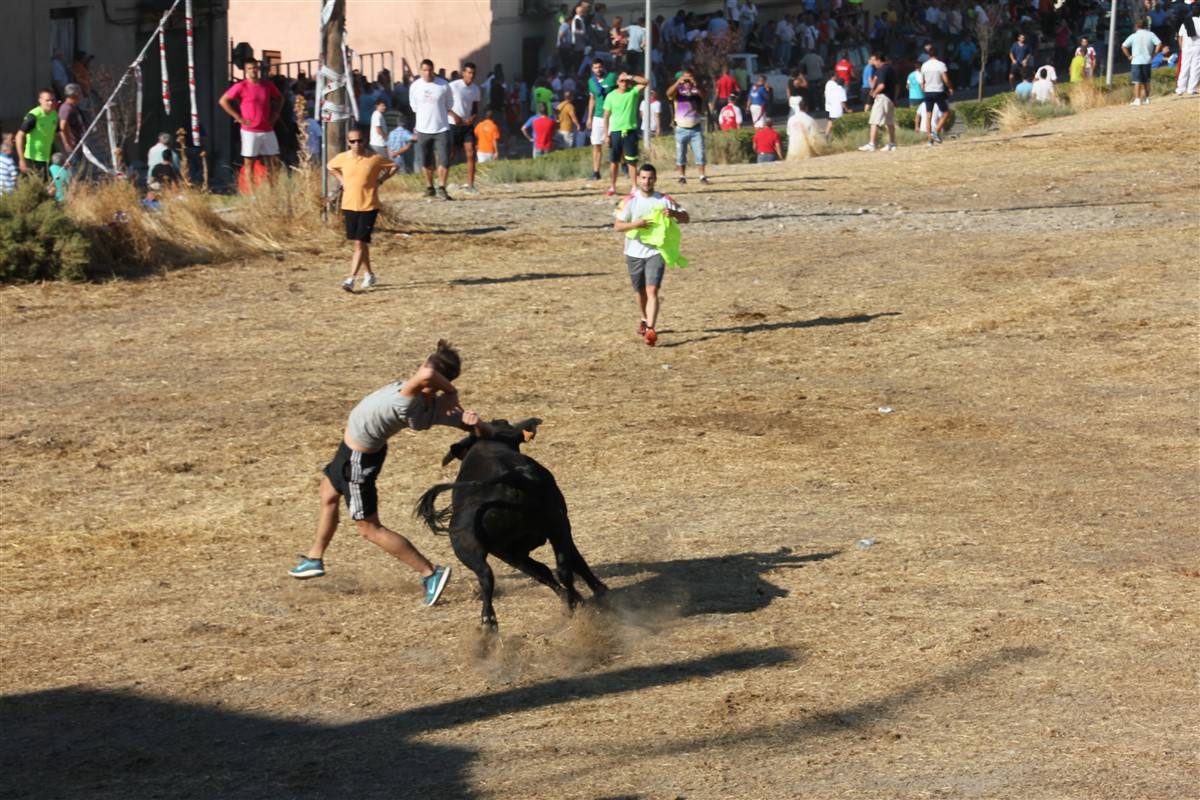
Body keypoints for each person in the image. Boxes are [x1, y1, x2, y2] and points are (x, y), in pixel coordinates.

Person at [289, 341, 493, 610]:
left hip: (357, 462)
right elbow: (435, 383)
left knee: (369, 528)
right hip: (349, 453)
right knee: (328, 492)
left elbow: (427, 376)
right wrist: (476, 425)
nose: (419, 370)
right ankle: (315, 557)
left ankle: (430, 573)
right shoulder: (434, 405)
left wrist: (464, 409)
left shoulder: (409, 398)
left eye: (423, 366)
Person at [611, 164, 689, 347]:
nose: (647, 181)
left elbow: (686, 217)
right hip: (633, 252)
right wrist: (636, 224)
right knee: (639, 291)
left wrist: (675, 213)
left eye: (650, 178)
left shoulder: (664, 200)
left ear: (656, 179)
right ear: (638, 178)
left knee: (652, 290)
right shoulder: (629, 200)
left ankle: (651, 329)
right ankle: (644, 319)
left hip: (656, 251)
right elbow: (617, 226)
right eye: (644, 178)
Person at [327, 125, 397, 292]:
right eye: (353, 141)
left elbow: (394, 166)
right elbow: (330, 167)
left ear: (365, 141)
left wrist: (381, 180)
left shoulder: (374, 158)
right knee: (360, 243)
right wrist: (341, 179)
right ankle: (370, 274)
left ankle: (350, 279)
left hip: (369, 205)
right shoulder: (343, 158)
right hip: (349, 205)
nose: (357, 144)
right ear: (348, 142)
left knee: (359, 242)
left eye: (360, 140)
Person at [219, 58, 283, 193]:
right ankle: (252, 194)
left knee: (274, 161)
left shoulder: (267, 85)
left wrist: (275, 114)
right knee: (249, 163)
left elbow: (280, 98)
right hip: (250, 130)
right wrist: (238, 117)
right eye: (250, 68)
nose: (253, 70)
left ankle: (274, 191)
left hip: (267, 128)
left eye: (255, 68)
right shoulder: (241, 86)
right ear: (245, 71)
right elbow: (223, 101)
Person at [409, 58, 454, 199]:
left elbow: (449, 104)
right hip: (423, 129)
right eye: (424, 70)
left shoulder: (443, 85)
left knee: (444, 160)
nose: (427, 73)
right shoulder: (415, 86)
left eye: (429, 70)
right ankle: (430, 187)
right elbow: (414, 107)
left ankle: (442, 187)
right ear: (420, 71)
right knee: (426, 160)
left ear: (433, 70)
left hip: (441, 128)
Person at [602, 71, 648, 197]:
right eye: (621, 81)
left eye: (626, 81)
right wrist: (606, 134)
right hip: (616, 131)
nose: (624, 83)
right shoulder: (610, 96)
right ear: (617, 82)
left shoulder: (632, 92)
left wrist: (630, 76)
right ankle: (612, 186)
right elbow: (606, 116)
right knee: (614, 161)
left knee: (631, 161)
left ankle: (634, 186)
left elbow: (646, 82)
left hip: (630, 131)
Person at [667, 69, 708, 185]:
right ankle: (682, 176)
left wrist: (696, 84)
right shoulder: (678, 91)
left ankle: (702, 176)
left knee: (700, 153)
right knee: (680, 154)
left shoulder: (696, 90)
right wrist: (678, 82)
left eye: (689, 77)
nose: (687, 81)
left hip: (696, 127)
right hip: (681, 127)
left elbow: (704, 95)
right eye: (685, 78)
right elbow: (668, 93)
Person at [449, 62, 481, 193]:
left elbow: (475, 109)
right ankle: (440, 182)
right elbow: (445, 104)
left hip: (467, 126)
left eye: (473, 73)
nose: (471, 76)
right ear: (463, 73)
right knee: (450, 154)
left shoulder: (475, 89)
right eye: (468, 73)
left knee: (471, 153)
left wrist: (472, 118)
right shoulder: (453, 86)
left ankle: (470, 185)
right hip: (453, 124)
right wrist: (455, 116)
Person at [15, 89, 58, 181]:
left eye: (52, 100)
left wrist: (62, 154)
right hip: (32, 160)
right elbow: (19, 136)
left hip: (46, 159)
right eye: (47, 100)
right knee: (33, 189)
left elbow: (56, 135)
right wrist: (21, 160)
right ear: (40, 100)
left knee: (48, 189)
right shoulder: (34, 116)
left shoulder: (54, 115)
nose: (50, 103)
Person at [859, 51, 898, 152]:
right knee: (889, 122)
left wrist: (874, 93)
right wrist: (895, 98)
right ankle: (892, 143)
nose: (874, 63)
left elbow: (881, 85)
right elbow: (897, 85)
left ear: (879, 60)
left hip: (882, 98)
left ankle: (872, 144)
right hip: (890, 98)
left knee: (874, 121)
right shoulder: (891, 69)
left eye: (874, 60)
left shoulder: (881, 70)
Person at [586, 59, 618, 181]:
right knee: (596, 144)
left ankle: (622, 167)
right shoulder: (591, 82)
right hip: (598, 116)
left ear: (603, 67)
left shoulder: (612, 77)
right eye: (595, 67)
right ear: (592, 69)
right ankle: (596, 172)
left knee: (615, 144)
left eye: (599, 67)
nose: (598, 70)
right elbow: (592, 99)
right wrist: (589, 117)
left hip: (612, 115)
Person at [1123, 20, 1164, 104]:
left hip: (1136, 60)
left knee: (1137, 81)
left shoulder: (1134, 36)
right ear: (1145, 26)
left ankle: (1137, 99)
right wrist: (1154, 53)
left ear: (1136, 27)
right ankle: (1147, 98)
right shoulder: (1150, 34)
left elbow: (1124, 46)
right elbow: (1159, 43)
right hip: (1147, 60)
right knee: (1146, 80)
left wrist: (1129, 56)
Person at [919, 45, 953, 145]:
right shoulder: (941, 65)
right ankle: (936, 131)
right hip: (938, 91)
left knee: (928, 116)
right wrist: (950, 87)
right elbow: (946, 79)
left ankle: (929, 140)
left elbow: (922, 81)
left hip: (927, 92)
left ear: (928, 55)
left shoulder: (924, 65)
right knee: (946, 113)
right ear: (937, 54)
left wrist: (924, 88)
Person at [57, 84, 85, 161]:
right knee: (76, 169)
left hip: (78, 145)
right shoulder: (66, 108)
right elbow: (62, 127)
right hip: (72, 148)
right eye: (79, 93)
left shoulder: (73, 107)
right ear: (74, 95)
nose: (81, 96)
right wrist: (68, 143)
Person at [1176, 5, 1200, 94]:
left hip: (1186, 47)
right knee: (1195, 68)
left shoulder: (1185, 22)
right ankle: (1191, 89)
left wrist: (1181, 48)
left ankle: (1180, 89)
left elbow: (1180, 37)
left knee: (1184, 68)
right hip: (1197, 47)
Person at [823, 75, 848, 142]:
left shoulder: (831, 87)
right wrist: (847, 109)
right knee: (841, 124)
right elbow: (842, 102)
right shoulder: (842, 90)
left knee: (831, 122)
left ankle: (827, 135)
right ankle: (840, 138)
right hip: (838, 110)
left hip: (831, 109)